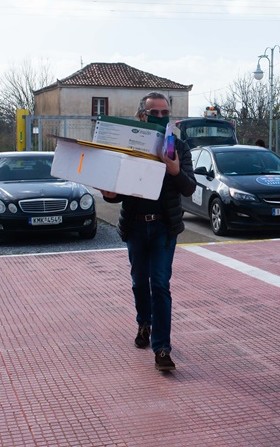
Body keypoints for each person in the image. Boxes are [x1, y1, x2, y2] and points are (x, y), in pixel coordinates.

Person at [99, 91, 196, 372]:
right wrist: (109, 194)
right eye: (155, 113)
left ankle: (162, 348)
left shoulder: (178, 147)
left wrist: (175, 169)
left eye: (165, 113)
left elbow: (189, 188)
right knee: (139, 283)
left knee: (160, 285)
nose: (161, 117)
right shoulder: (128, 145)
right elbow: (116, 191)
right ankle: (144, 321)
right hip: (135, 226)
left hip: (165, 228)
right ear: (142, 115)